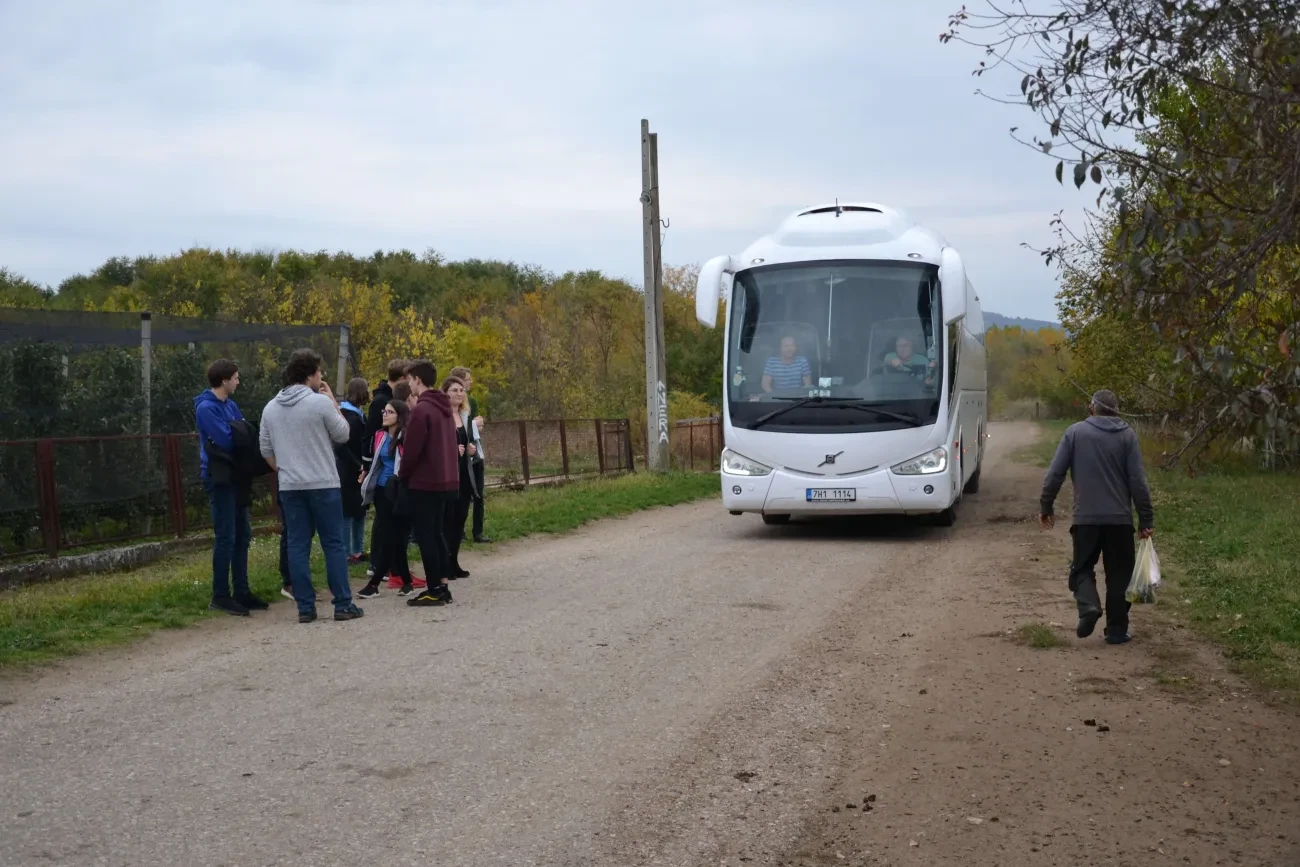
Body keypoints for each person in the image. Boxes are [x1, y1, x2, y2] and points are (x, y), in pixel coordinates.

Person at [1040, 389, 1155, 645]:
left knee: (1081, 568)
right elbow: (1137, 481)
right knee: (1120, 575)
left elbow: (1055, 474)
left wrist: (1046, 506)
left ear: (1092, 408)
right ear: (1116, 410)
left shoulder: (1074, 433)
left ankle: (1089, 605)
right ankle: (1116, 631)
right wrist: (1146, 519)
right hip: (1120, 521)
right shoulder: (1127, 436)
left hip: (1086, 520)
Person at [259, 348, 365, 624]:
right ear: (310, 375)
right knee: (333, 543)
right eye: (319, 372)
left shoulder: (271, 408)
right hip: (323, 482)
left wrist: (284, 469)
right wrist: (332, 403)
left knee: (297, 544)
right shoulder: (319, 403)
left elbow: (265, 449)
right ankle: (342, 603)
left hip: (290, 485)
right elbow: (343, 434)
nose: (321, 377)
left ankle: (305, 607)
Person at [194, 359, 268, 616]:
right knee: (226, 535)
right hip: (219, 476)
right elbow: (227, 439)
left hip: (237, 474)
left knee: (242, 534)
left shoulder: (231, 405)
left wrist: (242, 433)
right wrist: (241, 433)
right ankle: (220, 594)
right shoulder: (206, 408)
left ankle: (242, 590)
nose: (238, 381)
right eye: (235, 377)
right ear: (224, 380)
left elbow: (244, 433)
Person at [399, 359, 460, 607]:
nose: (409, 385)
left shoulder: (422, 410)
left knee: (426, 536)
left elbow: (412, 450)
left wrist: (403, 476)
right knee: (437, 533)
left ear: (418, 379)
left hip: (424, 481)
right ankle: (442, 585)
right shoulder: (444, 408)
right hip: (445, 480)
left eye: (410, 380)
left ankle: (433, 588)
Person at [356, 399, 414, 598]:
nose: (385, 414)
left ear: (400, 415)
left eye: (390, 412)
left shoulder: (406, 436)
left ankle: (375, 584)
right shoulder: (379, 435)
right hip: (382, 491)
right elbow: (375, 462)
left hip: (399, 492)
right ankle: (406, 582)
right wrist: (365, 474)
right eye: (384, 411)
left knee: (392, 537)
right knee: (392, 537)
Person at [443, 375, 479, 578]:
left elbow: (467, 442)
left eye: (461, 390)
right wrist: (453, 451)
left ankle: (454, 561)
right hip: (448, 476)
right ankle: (444, 564)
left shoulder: (465, 415)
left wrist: (470, 451)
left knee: (460, 519)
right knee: (447, 521)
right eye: (454, 390)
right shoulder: (442, 416)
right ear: (445, 393)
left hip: (464, 475)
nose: (459, 393)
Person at [450, 365, 491, 543]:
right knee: (461, 496)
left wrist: (476, 424)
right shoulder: (449, 408)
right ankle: (458, 532)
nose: (470, 382)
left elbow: (476, 426)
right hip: (460, 457)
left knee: (479, 494)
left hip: (475, 452)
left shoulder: (471, 401)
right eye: (467, 379)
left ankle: (478, 532)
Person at [338, 377, 370, 563]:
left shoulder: (356, 414)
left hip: (358, 469)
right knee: (349, 514)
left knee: (360, 512)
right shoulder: (351, 418)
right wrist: (359, 464)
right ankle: (346, 553)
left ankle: (358, 550)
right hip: (350, 471)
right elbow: (342, 446)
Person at [365, 359, 407, 457]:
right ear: (402, 379)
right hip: (381, 455)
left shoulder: (396, 397)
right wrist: (368, 460)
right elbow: (370, 431)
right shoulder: (380, 401)